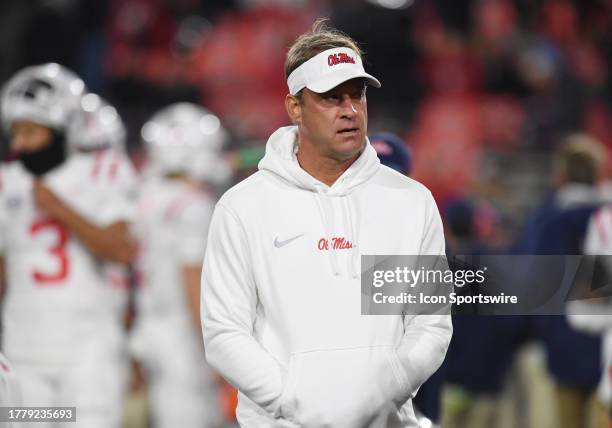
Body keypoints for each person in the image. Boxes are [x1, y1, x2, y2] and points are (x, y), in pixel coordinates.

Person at [201, 19, 453, 428]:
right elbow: (224, 333)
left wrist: (384, 389)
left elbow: (430, 322)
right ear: (294, 107)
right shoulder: (243, 207)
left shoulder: (410, 202)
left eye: (358, 95)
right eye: (332, 98)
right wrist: (293, 400)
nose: (350, 110)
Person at [0, 63, 135, 428]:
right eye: (15, 132)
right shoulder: (8, 180)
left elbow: (121, 249)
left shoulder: (101, 169)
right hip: (24, 350)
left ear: (62, 127)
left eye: (30, 131)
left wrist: (60, 209)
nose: (19, 144)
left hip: (86, 352)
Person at [130, 103, 229, 428]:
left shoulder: (143, 197)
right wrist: (216, 346)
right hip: (183, 336)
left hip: (147, 328)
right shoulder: (192, 205)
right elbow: (192, 279)